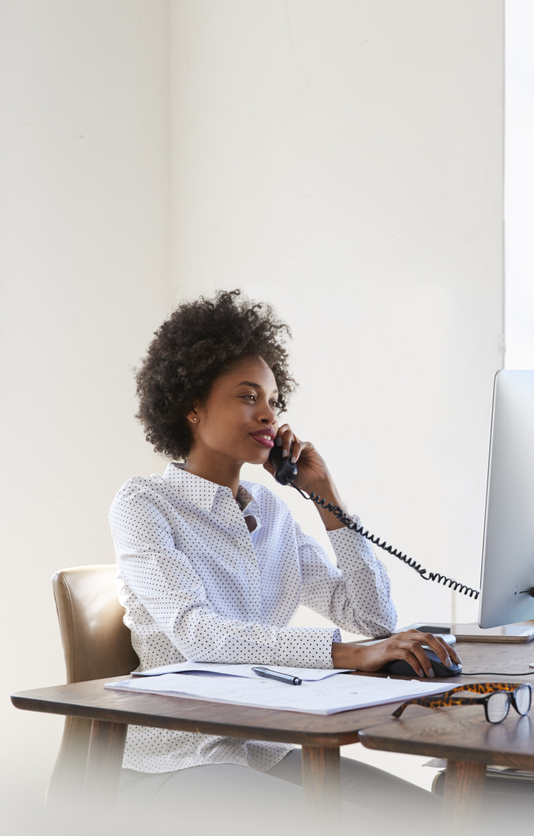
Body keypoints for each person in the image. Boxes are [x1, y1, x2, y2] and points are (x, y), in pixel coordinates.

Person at [108, 289, 457, 826]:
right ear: (193, 406)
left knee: (431, 818)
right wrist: (349, 654)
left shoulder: (270, 509)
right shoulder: (144, 504)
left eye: (273, 399)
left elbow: (372, 618)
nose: (269, 414)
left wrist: (328, 499)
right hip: (173, 762)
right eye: (249, 397)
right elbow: (201, 636)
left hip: (263, 748)